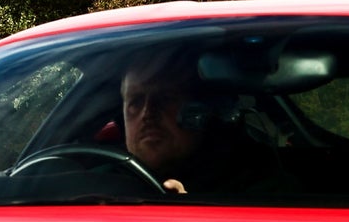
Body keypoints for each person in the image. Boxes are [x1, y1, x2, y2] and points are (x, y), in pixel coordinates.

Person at [120, 47, 284, 196]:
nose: (147, 113)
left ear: (204, 109)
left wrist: (191, 214)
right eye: (135, 101)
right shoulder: (101, 181)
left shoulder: (257, 186)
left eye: (165, 99)